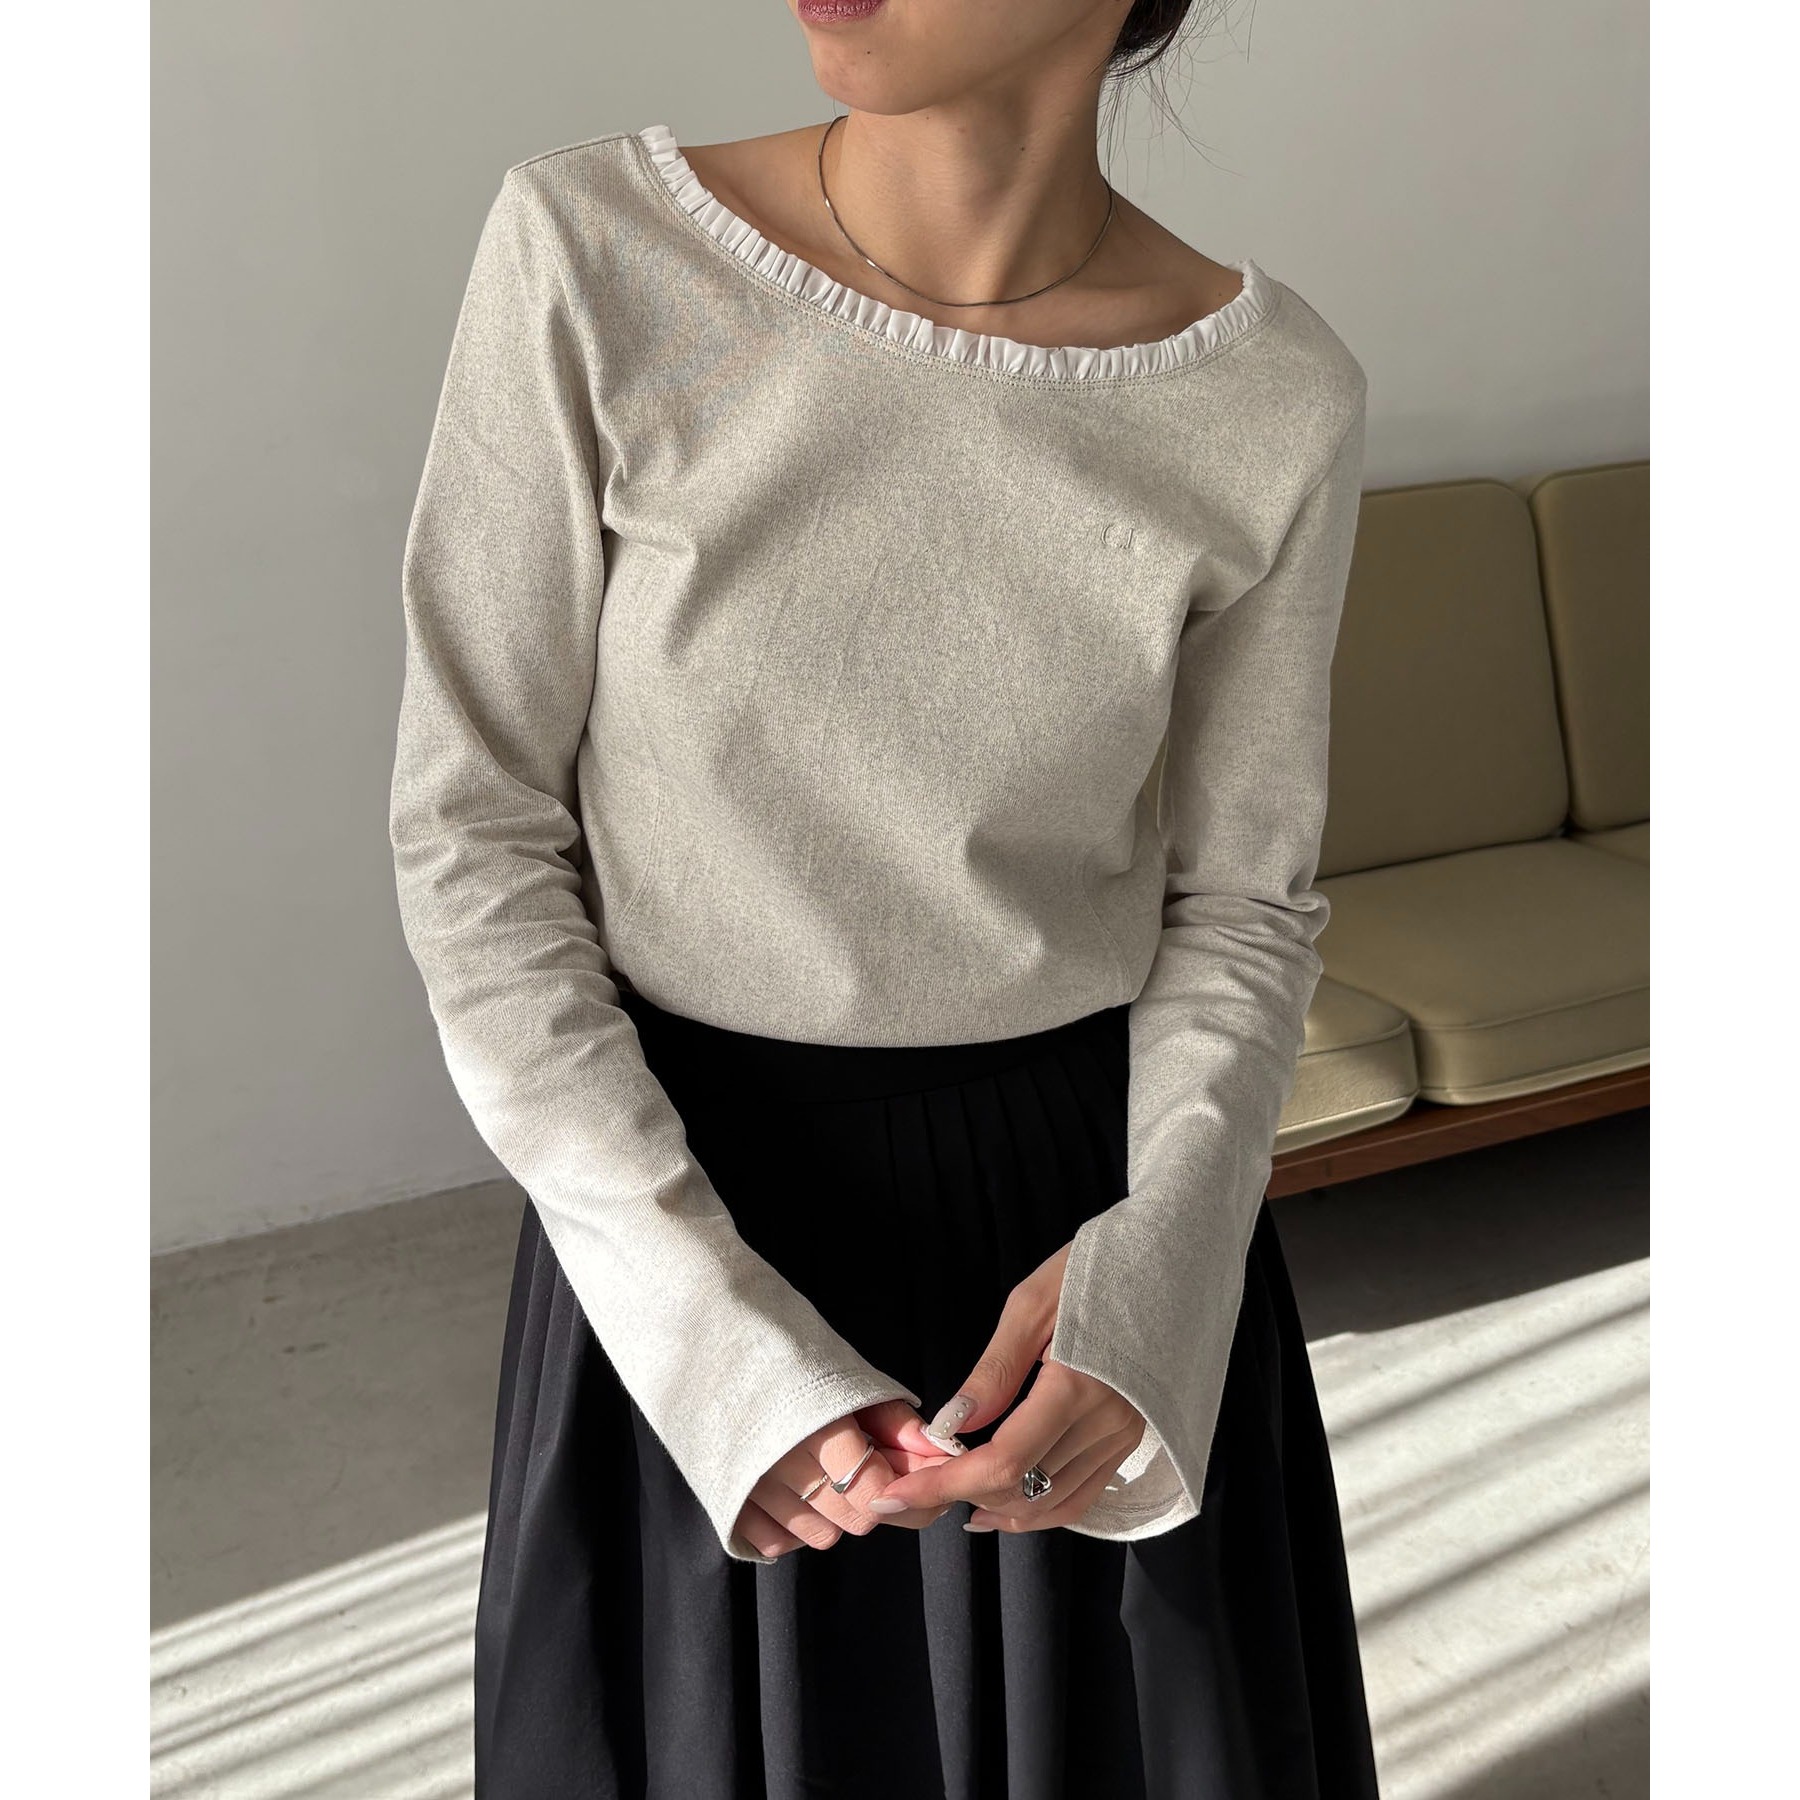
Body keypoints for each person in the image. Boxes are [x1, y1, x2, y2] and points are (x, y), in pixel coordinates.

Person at [388, 2, 1381, 1794]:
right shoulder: (597, 249)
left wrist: (1161, 1282)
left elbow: (1243, 900)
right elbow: (476, 832)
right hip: (685, 1213)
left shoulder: (1269, 392)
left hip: (1084, 1238)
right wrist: (705, 1333)